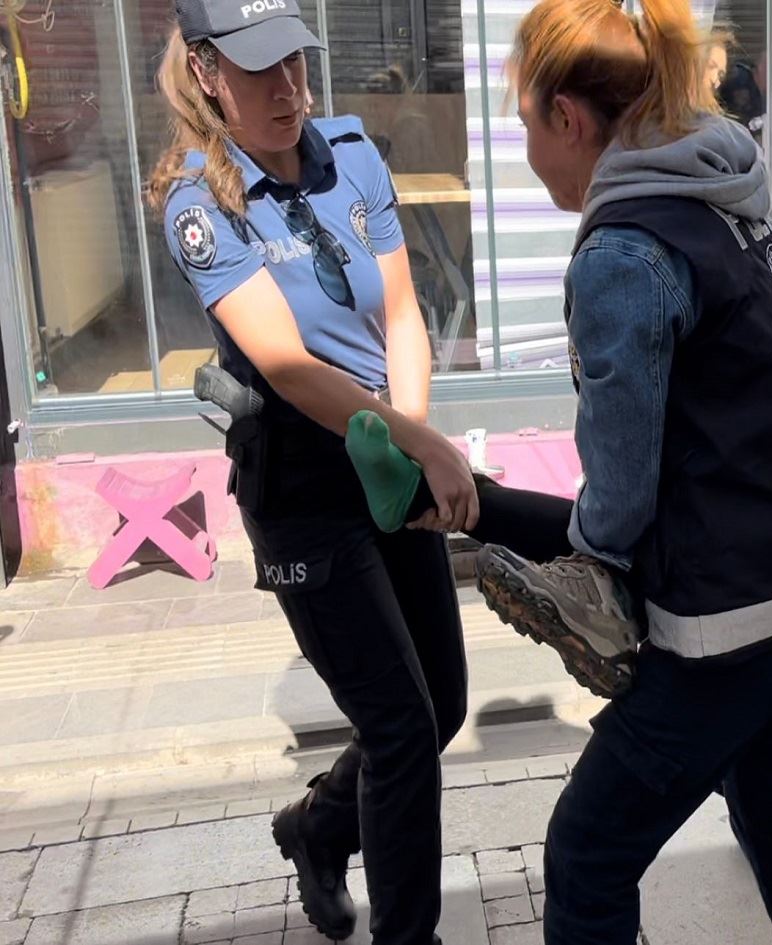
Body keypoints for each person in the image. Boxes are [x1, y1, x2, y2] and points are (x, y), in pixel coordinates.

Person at [475, 0, 772, 940]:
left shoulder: (624, 250)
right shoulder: (723, 186)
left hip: (728, 620)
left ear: (569, 118)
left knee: (588, 851)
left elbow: (619, 476)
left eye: (525, 124)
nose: (526, 149)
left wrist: (590, 558)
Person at [147, 0, 485, 940]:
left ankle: (318, 827)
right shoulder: (198, 201)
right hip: (303, 486)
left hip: (387, 454)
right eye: (258, 70)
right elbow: (288, 366)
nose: (287, 88)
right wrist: (420, 447)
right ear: (207, 71)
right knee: (401, 727)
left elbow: (403, 313)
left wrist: (409, 440)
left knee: (443, 702)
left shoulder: (352, 153)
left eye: (294, 61)